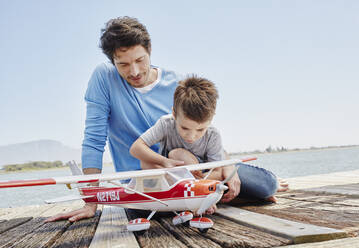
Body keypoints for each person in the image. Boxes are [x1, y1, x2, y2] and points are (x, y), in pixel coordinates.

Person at [46, 16, 286, 223]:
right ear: (112, 62)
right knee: (146, 208)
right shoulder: (103, 78)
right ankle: (214, 198)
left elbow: (203, 133)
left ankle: (220, 193)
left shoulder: (176, 84)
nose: (135, 71)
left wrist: (228, 167)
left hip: (193, 172)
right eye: (123, 64)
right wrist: (91, 201)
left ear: (149, 50)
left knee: (265, 186)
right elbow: (94, 140)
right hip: (144, 182)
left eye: (140, 60)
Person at [130, 76, 281, 214]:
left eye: (200, 129)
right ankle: (205, 198)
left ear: (211, 119)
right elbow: (136, 148)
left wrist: (200, 181)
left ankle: (213, 197)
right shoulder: (166, 124)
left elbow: (218, 171)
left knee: (268, 186)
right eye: (184, 128)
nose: (191, 136)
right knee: (167, 156)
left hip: (205, 176)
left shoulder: (213, 135)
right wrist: (164, 162)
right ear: (174, 114)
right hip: (173, 175)